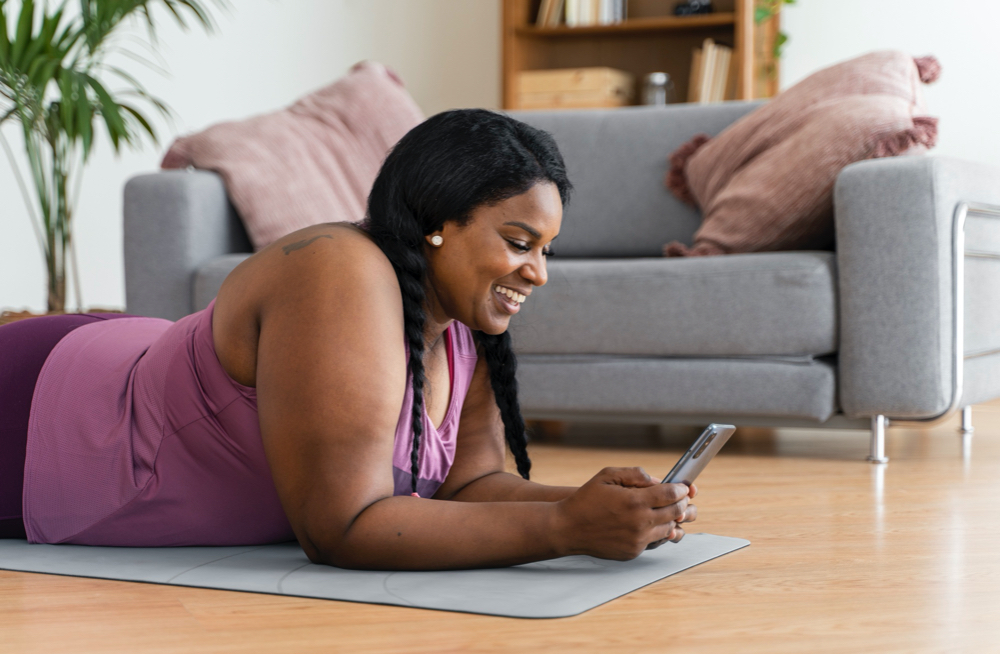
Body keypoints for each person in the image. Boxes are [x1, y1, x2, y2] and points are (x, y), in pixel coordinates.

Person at [0, 109, 697, 569]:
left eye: (545, 248)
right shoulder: (342, 273)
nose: (537, 273)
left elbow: (470, 487)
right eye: (519, 243)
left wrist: (591, 505)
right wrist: (564, 529)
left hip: (119, 361)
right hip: (45, 420)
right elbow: (341, 526)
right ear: (438, 223)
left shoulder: (464, 320)